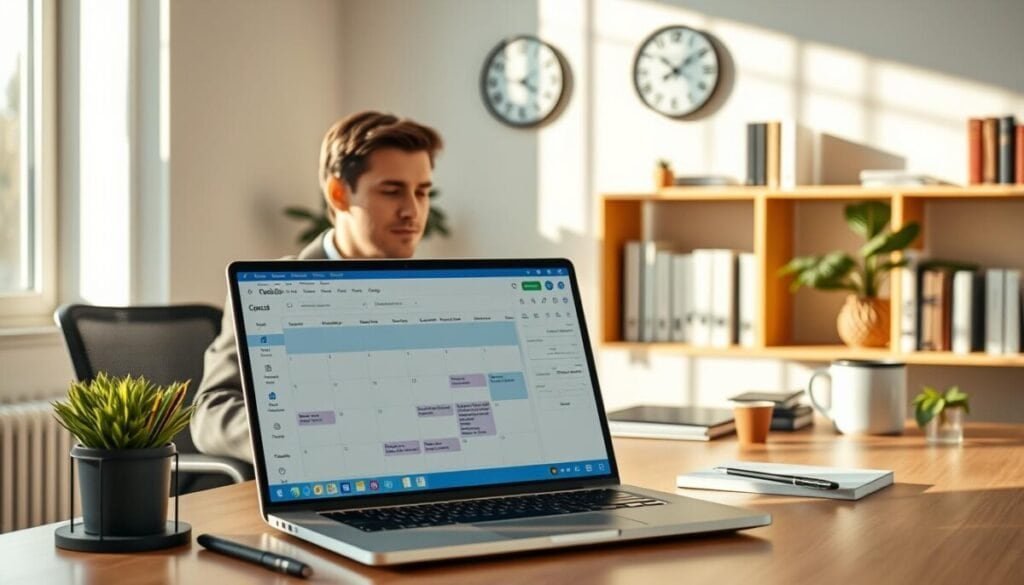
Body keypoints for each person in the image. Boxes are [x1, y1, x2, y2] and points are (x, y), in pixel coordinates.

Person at [191, 111, 444, 463]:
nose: (412, 211)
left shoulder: (437, 297)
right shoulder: (271, 292)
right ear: (339, 194)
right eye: (392, 191)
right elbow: (211, 412)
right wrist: (303, 439)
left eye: (422, 192)